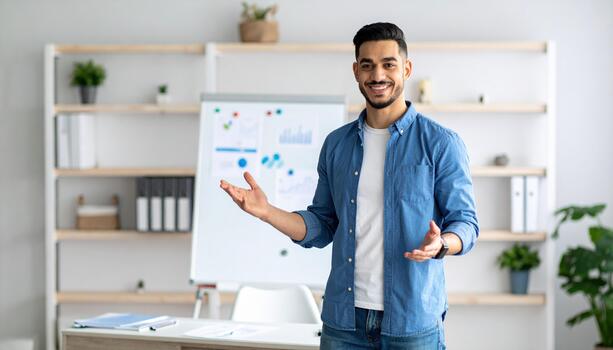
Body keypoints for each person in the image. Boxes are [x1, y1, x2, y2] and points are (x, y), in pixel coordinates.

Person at [220, 22, 479, 350]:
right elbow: (322, 224)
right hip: (344, 323)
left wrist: (441, 243)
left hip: (412, 321)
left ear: (407, 69)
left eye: (389, 64)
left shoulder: (441, 144)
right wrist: (267, 212)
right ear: (356, 71)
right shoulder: (336, 145)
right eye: (367, 65)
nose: (378, 75)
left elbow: (466, 224)